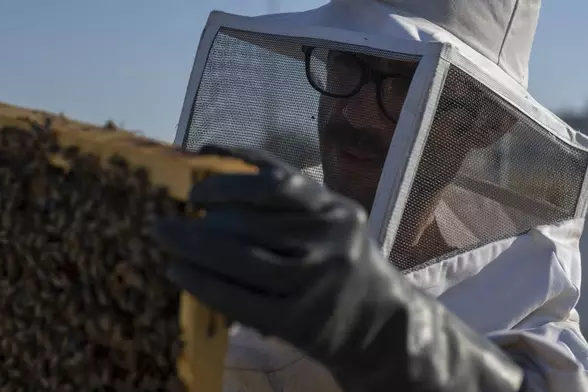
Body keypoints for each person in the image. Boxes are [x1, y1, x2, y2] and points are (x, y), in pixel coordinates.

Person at [162, 0, 588, 390]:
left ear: (489, 123)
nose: (353, 113)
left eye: (406, 82)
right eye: (348, 63)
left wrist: (376, 331)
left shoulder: (530, 308)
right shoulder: (246, 222)